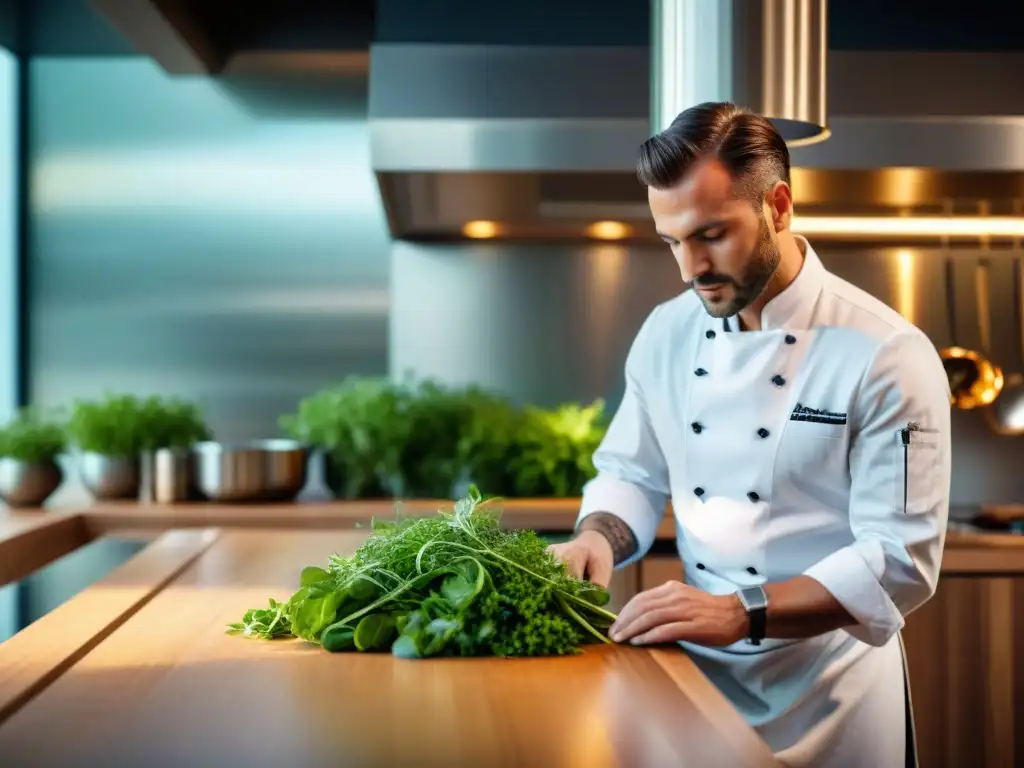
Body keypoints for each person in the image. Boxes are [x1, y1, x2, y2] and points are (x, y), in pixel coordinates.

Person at [548, 102, 951, 768]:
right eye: (672, 240)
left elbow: (900, 558)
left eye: (712, 234)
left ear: (780, 206)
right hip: (695, 677)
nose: (689, 267)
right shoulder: (666, 333)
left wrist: (742, 611)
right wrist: (595, 538)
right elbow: (633, 473)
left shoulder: (885, 354)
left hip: (832, 693)